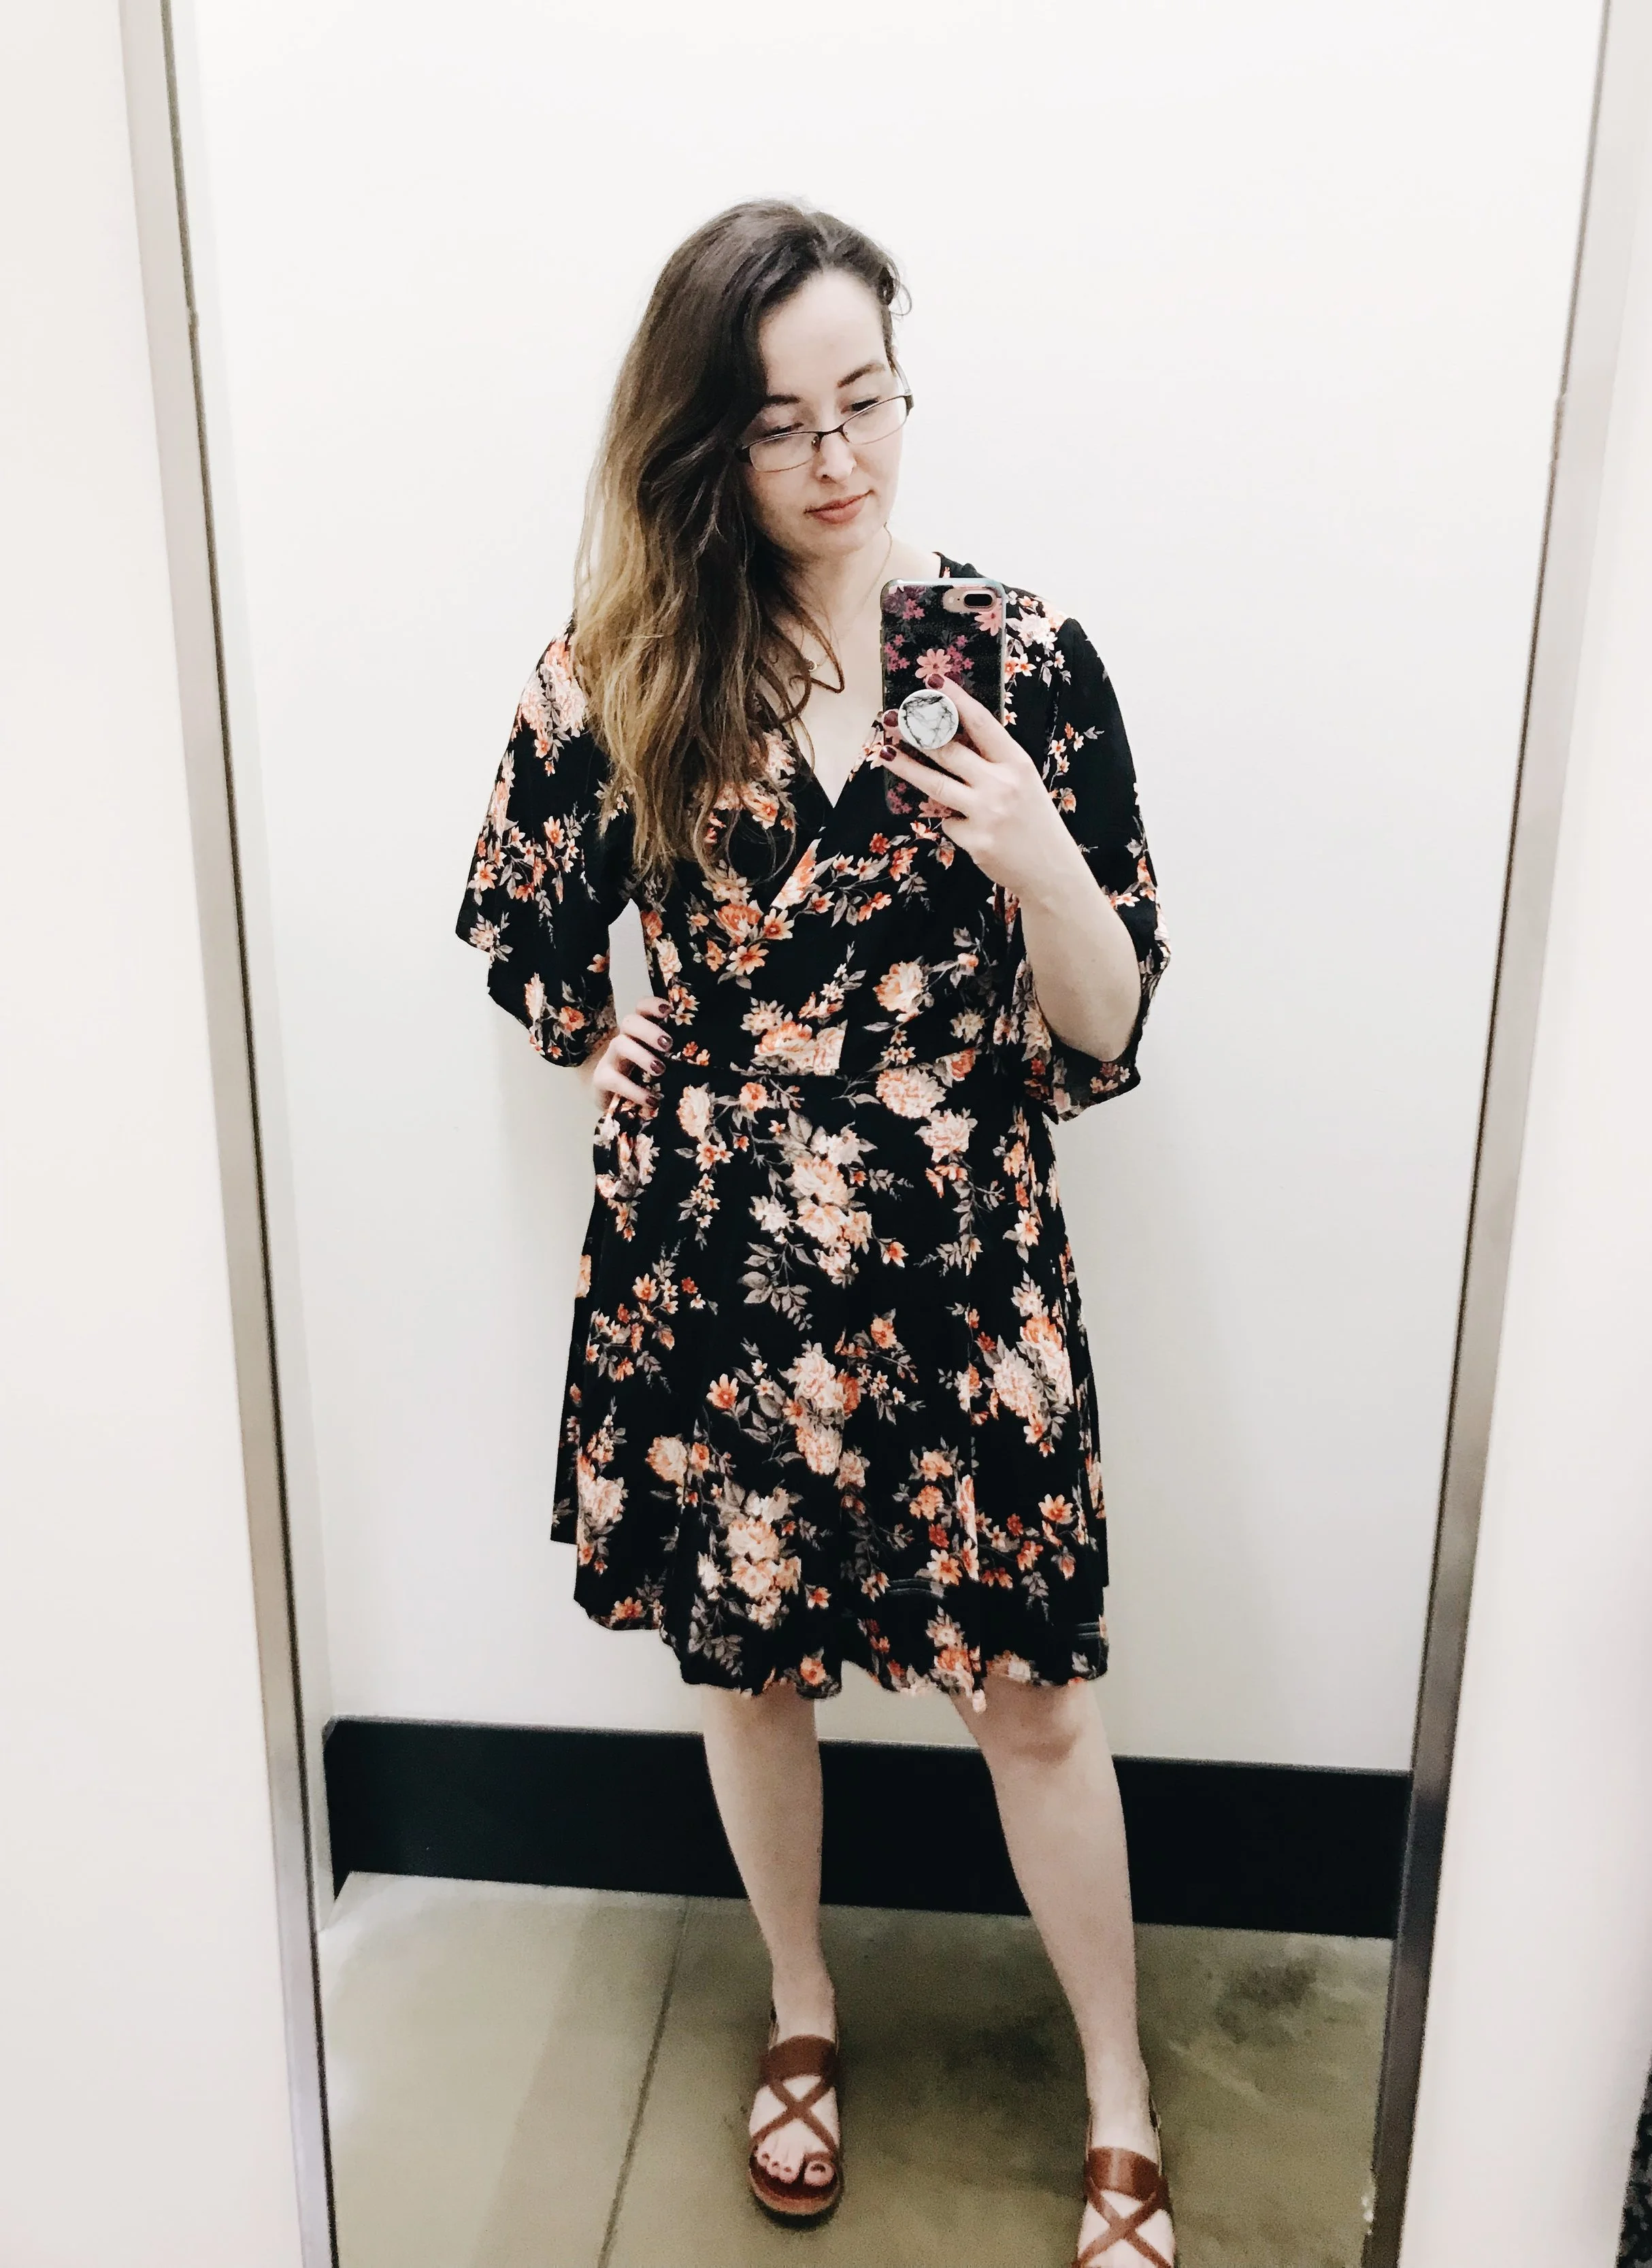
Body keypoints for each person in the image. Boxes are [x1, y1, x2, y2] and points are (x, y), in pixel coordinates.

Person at [457, 199, 1174, 2268]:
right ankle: (799, 2006)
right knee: (749, 1668)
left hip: (961, 1256)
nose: (840, 456)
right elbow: (521, 926)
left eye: (867, 400)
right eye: (782, 424)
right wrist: (596, 1040)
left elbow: (1106, 1027)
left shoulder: (1021, 661)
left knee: (1036, 1696)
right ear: (707, 443)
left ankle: (1118, 2094)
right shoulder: (627, 668)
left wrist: (1038, 855)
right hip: (723, 1264)